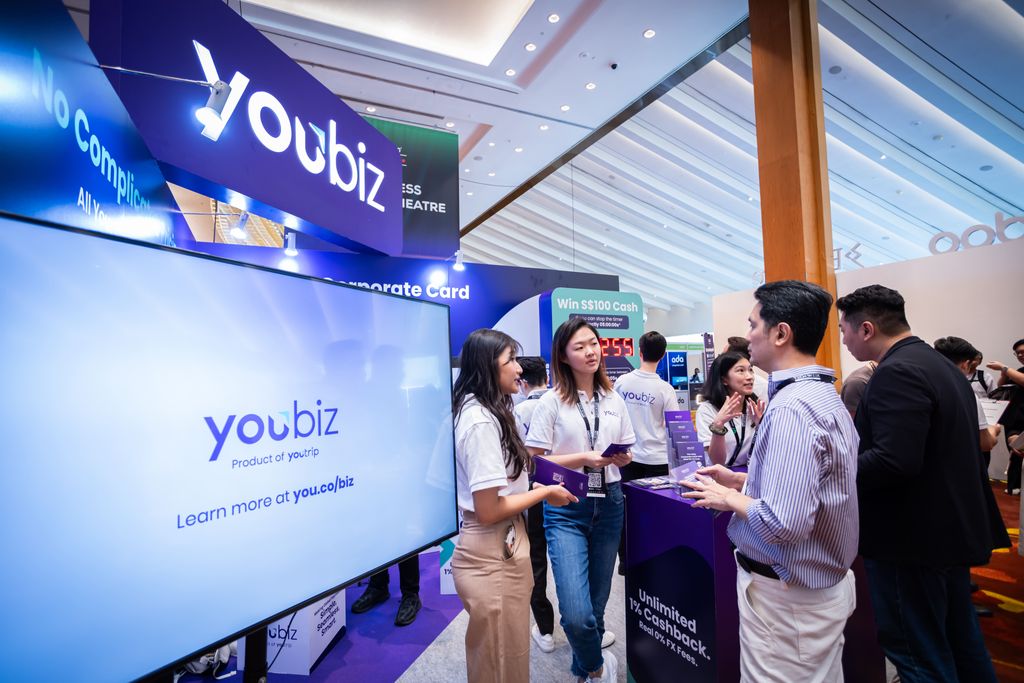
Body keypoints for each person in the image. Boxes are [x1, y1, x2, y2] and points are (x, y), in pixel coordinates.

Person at [683, 280, 859, 682]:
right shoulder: (821, 395)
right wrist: (742, 481)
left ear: (781, 333)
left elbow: (784, 523)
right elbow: (812, 488)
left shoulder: (791, 408)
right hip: (809, 593)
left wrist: (728, 498)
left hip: (787, 599)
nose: (747, 338)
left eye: (753, 325)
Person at [836, 285, 1008, 683]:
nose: (843, 340)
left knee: (917, 653)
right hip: (945, 533)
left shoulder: (897, 371)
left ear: (866, 328)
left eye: (845, 330)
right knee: (961, 644)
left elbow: (893, 460)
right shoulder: (940, 366)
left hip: (911, 541)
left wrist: (829, 474)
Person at [451, 329, 577, 682]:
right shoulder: (480, 422)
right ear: (488, 366)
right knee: (499, 661)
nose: (519, 369)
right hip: (492, 548)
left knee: (507, 654)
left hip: (502, 542)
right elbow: (489, 509)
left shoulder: (489, 412)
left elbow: (516, 473)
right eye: (510, 361)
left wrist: (581, 460)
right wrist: (544, 494)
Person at [524, 318, 636, 683]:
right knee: (575, 614)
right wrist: (584, 458)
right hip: (566, 505)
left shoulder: (615, 399)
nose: (590, 352)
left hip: (611, 502)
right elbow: (535, 462)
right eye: (579, 347)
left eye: (593, 343)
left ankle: (585, 672)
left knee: (597, 606)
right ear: (563, 356)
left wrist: (622, 457)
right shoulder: (551, 402)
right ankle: (600, 667)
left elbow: (627, 449)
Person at [613, 331, 680, 574]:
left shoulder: (622, 383)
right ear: (662, 355)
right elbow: (674, 426)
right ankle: (654, 560)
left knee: (626, 512)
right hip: (657, 460)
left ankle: (626, 560)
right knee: (655, 513)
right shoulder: (665, 389)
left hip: (627, 458)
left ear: (639, 352)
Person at [512, 356, 558, 654]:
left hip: (532, 492)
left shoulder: (518, 412)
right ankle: (583, 623)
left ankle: (545, 630)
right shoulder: (561, 403)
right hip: (567, 488)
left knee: (536, 559)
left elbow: (517, 459)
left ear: (523, 382)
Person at [934, 336, 1003, 464]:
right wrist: (994, 429)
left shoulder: (922, 386)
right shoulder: (966, 392)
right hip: (960, 464)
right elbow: (986, 444)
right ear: (966, 364)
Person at [694, 352, 764, 467]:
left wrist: (761, 426)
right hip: (719, 474)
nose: (749, 377)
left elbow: (766, 453)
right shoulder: (708, 410)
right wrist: (718, 425)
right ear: (724, 380)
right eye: (741, 370)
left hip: (748, 474)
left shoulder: (755, 408)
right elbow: (717, 462)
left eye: (750, 370)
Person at [988, 339, 1024, 494]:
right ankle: (1014, 486)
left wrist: (1004, 367)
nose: (1020, 355)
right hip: (1014, 420)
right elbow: (1002, 387)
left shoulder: (1016, 372)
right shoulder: (1019, 371)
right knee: (1015, 451)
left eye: (1023, 351)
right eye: (1018, 353)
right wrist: (1004, 373)